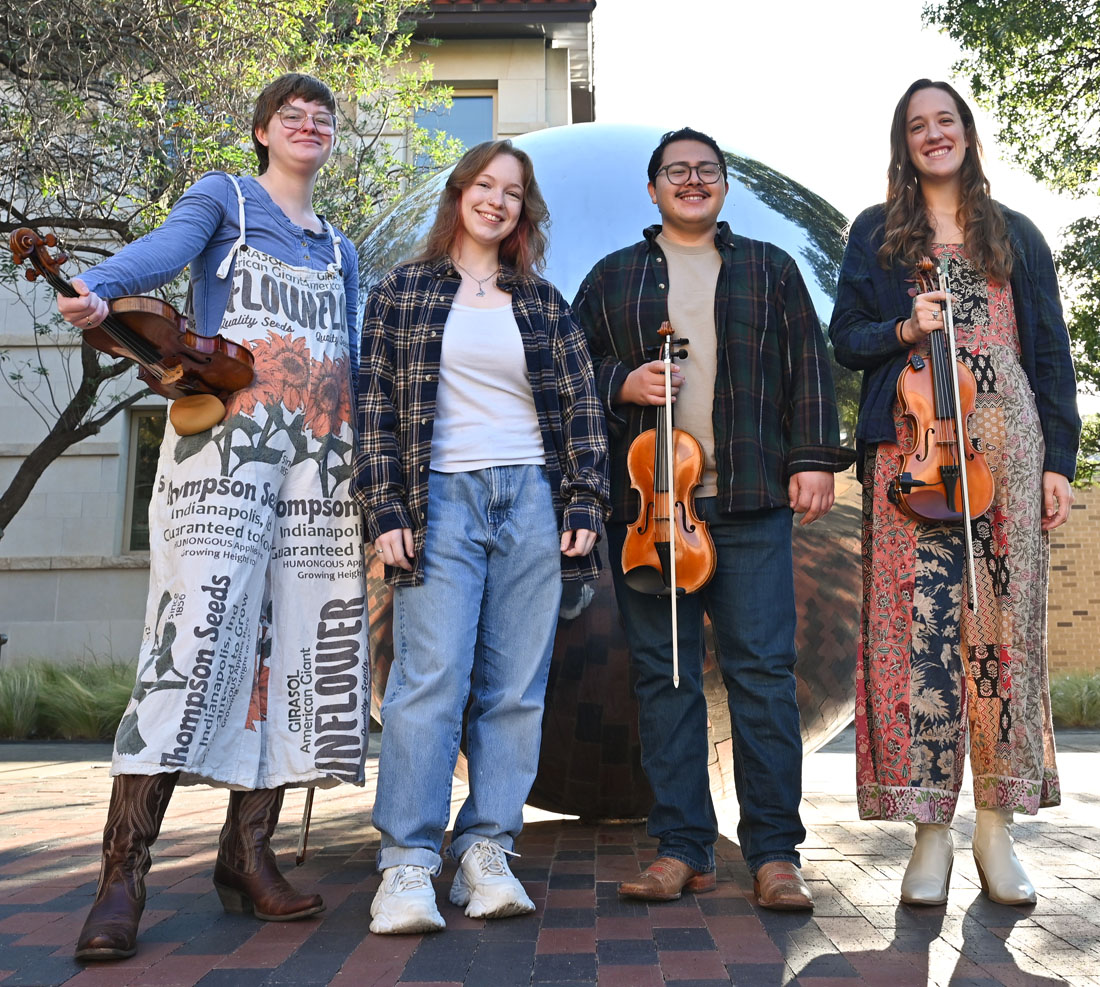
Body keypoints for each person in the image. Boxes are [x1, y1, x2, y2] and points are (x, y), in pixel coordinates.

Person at [56, 74, 370, 960]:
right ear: (263, 131)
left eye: (322, 119)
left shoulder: (341, 248)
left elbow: (351, 346)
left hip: (320, 460)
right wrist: (97, 286)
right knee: (191, 642)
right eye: (292, 117)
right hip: (225, 455)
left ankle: (247, 852)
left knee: (296, 648)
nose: (309, 127)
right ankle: (124, 874)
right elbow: (157, 254)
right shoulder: (223, 198)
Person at [573, 127, 852, 910]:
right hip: (650, 515)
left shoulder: (769, 268)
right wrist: (620, 381)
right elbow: (562, 366)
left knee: (762, 677)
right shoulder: (613, 277)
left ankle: (774, 854)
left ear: (722, 185)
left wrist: (812, 460)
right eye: (677, 171)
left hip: (751, 503)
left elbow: (810, 368)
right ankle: (681, 848)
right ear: (654, 188)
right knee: (666, 681)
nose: (692, 181)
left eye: (707, 170)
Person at [829, 79, 1080, 906]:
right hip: (911, 458)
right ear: (904, 144)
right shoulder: (877, 234)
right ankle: (928, 836)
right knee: (917, 636)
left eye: (946, 121)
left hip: (1007, 453)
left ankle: (995, 831)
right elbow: (848, 337)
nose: (933, 135)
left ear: (967, 134)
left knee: (1002, 632)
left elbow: (1050, 353)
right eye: (917, 125)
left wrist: (1057, 462)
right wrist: (906, 329)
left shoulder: (1016, 234)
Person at [353, 139, 609, 934]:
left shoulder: (540, 302)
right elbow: (375, 414)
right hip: (440, 501)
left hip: (529, 497)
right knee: (429, 680)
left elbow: (580, 409)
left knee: (515, 687)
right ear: (460, 193)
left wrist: (582, 503)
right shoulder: (403, 292)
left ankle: (486, 848)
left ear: (522, 211)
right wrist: (385, 509)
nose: (497, 200)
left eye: (513, 191)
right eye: (485, 185)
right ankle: (406, 863)